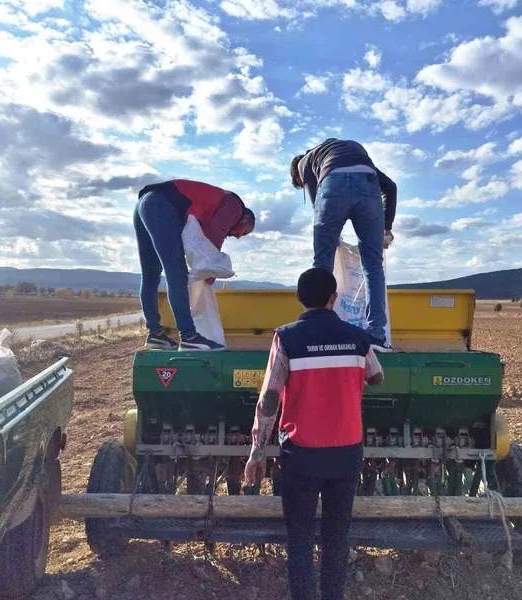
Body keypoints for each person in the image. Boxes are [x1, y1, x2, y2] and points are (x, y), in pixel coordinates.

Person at [244, 267, 384, 600]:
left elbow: (269, 399)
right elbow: (377, 377)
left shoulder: (287, 338)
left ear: (298, 297)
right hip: (346, 454)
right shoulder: (358, 338)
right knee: (336, 538)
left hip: (301, 456)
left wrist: (257, 452)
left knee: (300, 538)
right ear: (333, 298)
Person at [290, 138, 397, 353]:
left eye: (300, 184)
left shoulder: (304, 162)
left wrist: (333, 236)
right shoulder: (350, 154)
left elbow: (317, 203)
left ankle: (318, 331)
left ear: (297, 175)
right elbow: (391, 187)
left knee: (322, 266)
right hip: (368, 185)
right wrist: (386, 228)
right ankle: (377, 336)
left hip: (332, 186)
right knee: (373, 266)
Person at [134, 179, 255, 351]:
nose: (238, 236)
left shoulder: (211, 208)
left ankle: (155, 334)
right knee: (177, 273)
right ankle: (189, 337)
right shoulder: (235, 207)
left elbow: (197, 244)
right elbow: (214, 236)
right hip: (162, 206)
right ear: (246, 219)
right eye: (244, 232)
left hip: (144, 204)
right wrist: (210, 271)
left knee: (150, 275)